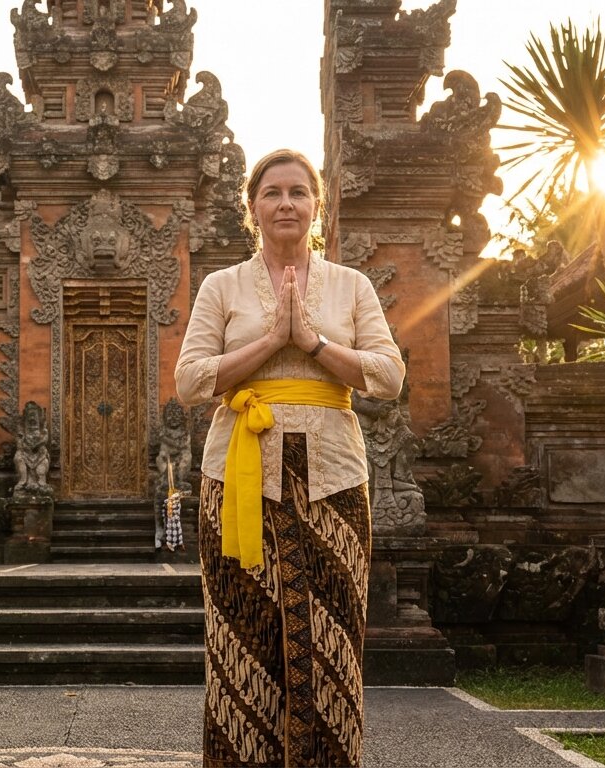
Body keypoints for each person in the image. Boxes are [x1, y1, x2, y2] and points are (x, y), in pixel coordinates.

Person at [175, 148, 404, 767]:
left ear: (316, 206)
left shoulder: (350, 286)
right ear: (251, 208)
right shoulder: (221, 287)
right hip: (237, 478)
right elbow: (191, 381)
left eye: (298, 192)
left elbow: (388, 375)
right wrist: (273, 340)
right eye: (272, 193)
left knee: (333, 642)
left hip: (333, 477)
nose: (286, 204)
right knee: (240, 642)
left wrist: (313, 342)